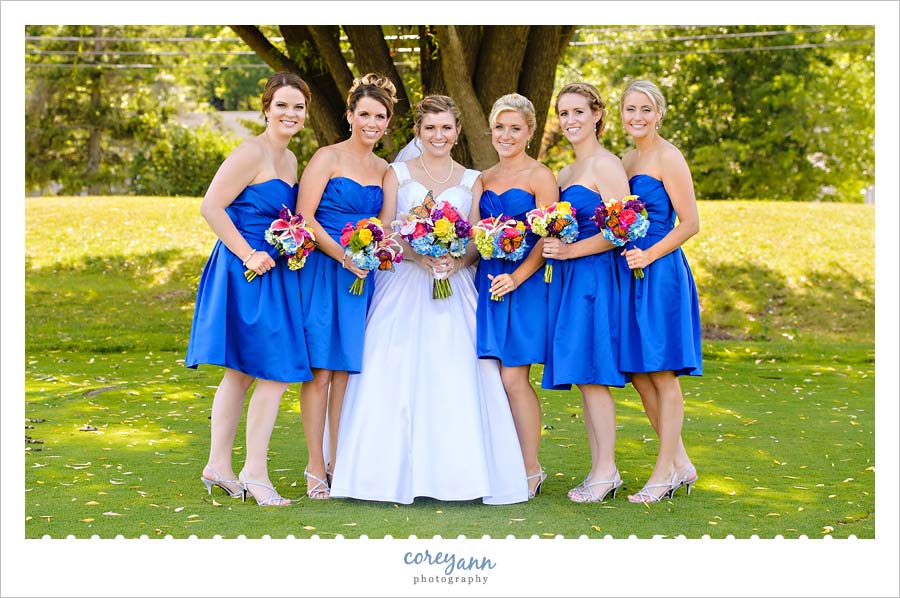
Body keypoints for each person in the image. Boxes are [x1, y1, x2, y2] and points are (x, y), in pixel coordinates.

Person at [329, 95, 528, 505]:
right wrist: (418, 253)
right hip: (403, 281)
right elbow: (385, 229)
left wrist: (456, 262)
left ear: (457, 132)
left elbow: (474, 238)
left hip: (452, 285)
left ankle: (459, 474)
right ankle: (378, 475)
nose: (439, 135)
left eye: (447, 128)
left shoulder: (473, 179)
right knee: (390, 368)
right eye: (430, 128)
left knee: (456, 372)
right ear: (418, 132)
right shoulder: (396, 173)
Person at [185, 72, 312, 506]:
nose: (290, 114)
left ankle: (218, 465)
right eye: (282, 105)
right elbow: (211, 207)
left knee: (242, 371)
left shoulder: (291, 160)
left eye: (298, 107)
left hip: (273, 268)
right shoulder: (250, 152)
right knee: (273, 373)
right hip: (246, 269)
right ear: (266, 109)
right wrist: (247, 255)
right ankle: (254, 473)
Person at [296, 73, 396, 499]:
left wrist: (372, 253)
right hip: (324, 269)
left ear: (388, 123)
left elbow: (387, 226)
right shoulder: (327, 157)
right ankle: (315, 466)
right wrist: (343, 255)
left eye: (381, 116)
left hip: (362, 277)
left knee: (345, 374)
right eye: (365, 114)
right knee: (320, 372)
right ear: (350, 115)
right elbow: (304, 216)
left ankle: (340, 461)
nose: (372, 123)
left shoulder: (385, 171)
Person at [541, 83, 630, 502]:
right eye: (564, 113)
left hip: (594, 277)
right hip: (568, 279)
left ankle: (606, 471)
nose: (571, 120)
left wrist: (572, 249)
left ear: (597, 114)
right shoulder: (565, 172)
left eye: (579, 111)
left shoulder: (606, 165)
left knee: (594, 375)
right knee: (583, 377)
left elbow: (622, 230)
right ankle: (600, 469)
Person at [618, 79, 703, 503]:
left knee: (664, 373)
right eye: (630, 109)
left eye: (645, 109)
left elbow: (690, 223)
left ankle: (663, 474)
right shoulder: (625, 159)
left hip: (660, 270)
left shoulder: (669, 158)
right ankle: (682, 463)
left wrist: (649, 256)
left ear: (659, 114)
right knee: (638, 372)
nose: (637, 117)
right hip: (628, 271)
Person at [473, 93, 558, 498]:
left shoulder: (540, 176)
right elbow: (474, 237)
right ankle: (498, 460)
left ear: (529, 131)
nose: (506, 135)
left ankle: (530, 468)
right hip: (487, 282)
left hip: (522, 284)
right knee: (490, 376)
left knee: (514, 377)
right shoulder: (483, 178)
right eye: (500, 127)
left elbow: (548, 238)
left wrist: (517, 278)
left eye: (515, 128)